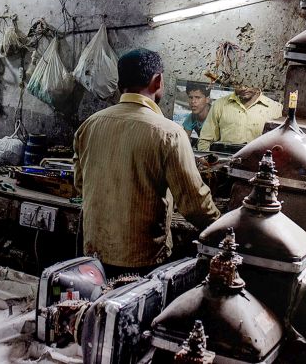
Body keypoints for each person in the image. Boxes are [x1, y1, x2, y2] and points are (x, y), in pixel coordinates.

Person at [73, 48, 220, 276]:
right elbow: (193, 204)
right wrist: (225, 231)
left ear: (121, 82)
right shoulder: (169, 133)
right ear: (158, 80)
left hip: (94, 252)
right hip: (143, 258)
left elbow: (81, 184)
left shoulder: (90, 125)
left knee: (96, 310)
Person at [197, 84, 283, 152]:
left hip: (260, 166)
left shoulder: (276, 108)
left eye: (248, 84)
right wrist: (207, 163)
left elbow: (281, 146)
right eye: (238, 84)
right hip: (225, 163)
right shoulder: (219, 104)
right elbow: (205, 140)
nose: (243, 88)